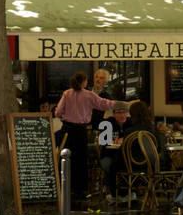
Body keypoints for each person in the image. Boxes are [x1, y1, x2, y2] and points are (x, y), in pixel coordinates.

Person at [55, 72, 115, 206]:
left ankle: (64, 187)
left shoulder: (66, 94)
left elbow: (58, 112)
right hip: (81, 131)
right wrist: (119, 104)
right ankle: (80, 189)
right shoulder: (88, 95)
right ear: (84, 82)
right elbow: (103, 104)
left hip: (67, 130)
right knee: (81, 160)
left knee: (65, 158)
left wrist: (65, 114)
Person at [98, 103, 130, 201]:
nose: (121, 115)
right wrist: (112, 141)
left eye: (124, 112)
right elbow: (103, 143)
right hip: (109, 155)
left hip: (126, 156)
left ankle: (128, 192)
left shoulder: (131, 124)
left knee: (129, 166)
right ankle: (113, 193)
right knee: (109, 165)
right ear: (113, 114)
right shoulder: (107, 124)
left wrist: (124, 139)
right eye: (118, 113)